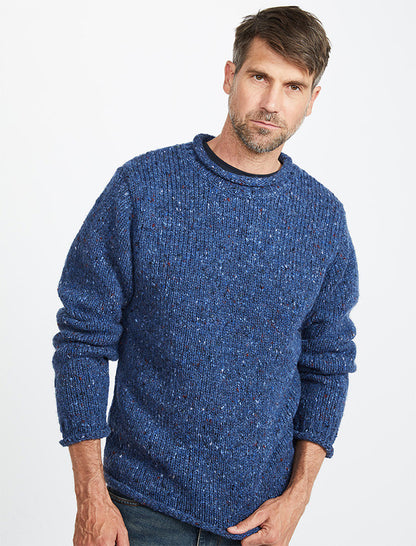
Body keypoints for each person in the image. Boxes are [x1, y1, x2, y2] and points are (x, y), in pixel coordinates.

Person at [52, 6, 359, 546]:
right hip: (137, 511)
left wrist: (298, 499)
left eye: (293, 86)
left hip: (257, 522)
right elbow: (82, 339)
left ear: (313, 100)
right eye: (259, 77)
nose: (271, 102)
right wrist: (91, 497)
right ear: (229, 76)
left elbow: (328, 362)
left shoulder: (323, 219)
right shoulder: (142, 189)